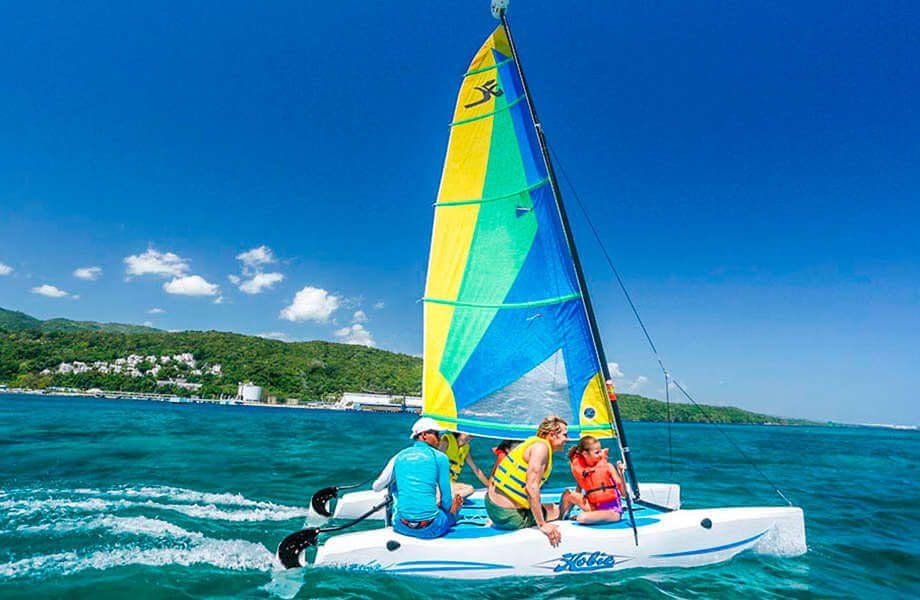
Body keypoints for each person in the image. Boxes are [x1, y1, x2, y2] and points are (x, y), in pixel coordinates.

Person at [485, 415, 576, 547]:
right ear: (552, 435)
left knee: (549, 506)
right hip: (508, 516)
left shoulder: (533, 442)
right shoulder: (541, 449)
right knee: (554, 512)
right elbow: (531, 487)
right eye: (564, 435)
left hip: (491, 505)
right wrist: (542, 525)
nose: (567, 439)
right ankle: (562, 515)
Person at [372, 417, 463, 539]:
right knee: (449, 514)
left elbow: (377, 487)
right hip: (431, 528)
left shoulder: (399, 456)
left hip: (400, 526)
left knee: (394, 486)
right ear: (424, 435)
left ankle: (407, 514)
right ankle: (452, 515)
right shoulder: (440, 457)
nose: (440, 438)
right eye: (436, 434)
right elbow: (446, 499)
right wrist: (451, 511)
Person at [567, 435, 627, 524]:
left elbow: (624, 493)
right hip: (594, 508)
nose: (600, 455)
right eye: (597, 452)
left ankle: (590, 516)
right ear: (585, 454)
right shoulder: (584, 471)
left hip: (613, 512)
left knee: (581, 518)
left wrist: (621, 473)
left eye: (600, 451)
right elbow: (578, 491)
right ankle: (562, 518)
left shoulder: (608, 466)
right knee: (569, 495)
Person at [438, 431, 490, 498]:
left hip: (450, 484)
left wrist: (489, 486)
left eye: (471, 435)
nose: (470, 437)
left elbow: (476, 470)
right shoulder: (446, 441)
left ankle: (445, 497)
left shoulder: (465, 449)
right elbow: (436, 462)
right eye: (468, 433)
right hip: (439, 482)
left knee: (469, 489)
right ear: (459, 432)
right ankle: (444, 498)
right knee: (469, 489)